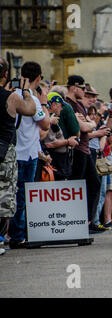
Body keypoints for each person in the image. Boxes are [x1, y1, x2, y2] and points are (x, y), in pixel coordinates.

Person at [8, 61, 51, 249]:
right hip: (27, 153)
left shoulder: (11, 95)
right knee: (23, 196)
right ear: (39, 78)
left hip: (14, 151)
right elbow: (45, 124)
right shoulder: (31, 98)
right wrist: (43, 103)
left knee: (13, 195)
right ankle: (18, 235)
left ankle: (13, 233)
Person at [0, 57, 37, 253]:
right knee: (6, 195)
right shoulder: (11, 97)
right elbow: (30, 110)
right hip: (4, 151)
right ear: (6, 75)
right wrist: (26, 93)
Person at [65, 75, 101, 233]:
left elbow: (86, 124)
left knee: (94, 184)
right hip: (78, 150)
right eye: (82, 89)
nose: (84, 92)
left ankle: (88, 221)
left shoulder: (78, 105)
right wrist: (91, 123)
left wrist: (88, 123)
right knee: (77, 186)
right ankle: (78, 222)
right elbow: (84, 127)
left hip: (85, 150)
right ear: (74, 87)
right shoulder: (68, 104)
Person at [42, 92, 79, 181]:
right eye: (61, 105)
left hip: (60, 159)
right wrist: (68, 141)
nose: (62, 108)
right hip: (55, 159)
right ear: (54, 104)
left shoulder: (52, 119)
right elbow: (50, 144)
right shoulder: (49, 120)